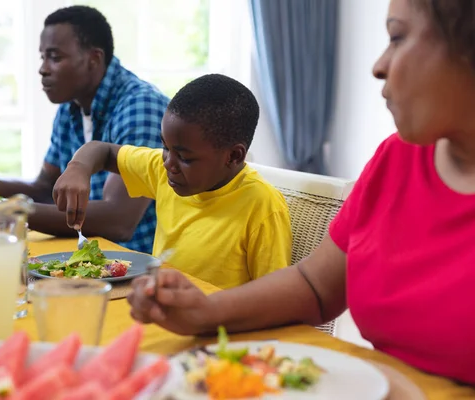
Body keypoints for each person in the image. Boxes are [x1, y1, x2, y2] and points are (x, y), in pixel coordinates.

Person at [125, 0, 475, 386]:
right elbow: (315, 286)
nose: (379, 65)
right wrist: (206, 311)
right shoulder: (397, 158)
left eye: (398, 37)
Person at [0, 6, 169, 254]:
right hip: (89, 259)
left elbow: (118, 220)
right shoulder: (70, 106)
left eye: (55, 57)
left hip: (138, 270)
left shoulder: (140, 106)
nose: (43, 68)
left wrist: (5, 213)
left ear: (94, 59)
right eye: (43, 57)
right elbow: (44, 189)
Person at [53, 74, 292, 289]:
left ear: (233, 156)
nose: (169, 163)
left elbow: (274, 298)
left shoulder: (262, 206)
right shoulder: (163, 169)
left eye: (185, 157)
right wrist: (78, 168)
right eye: (165, 148)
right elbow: (102, 151)